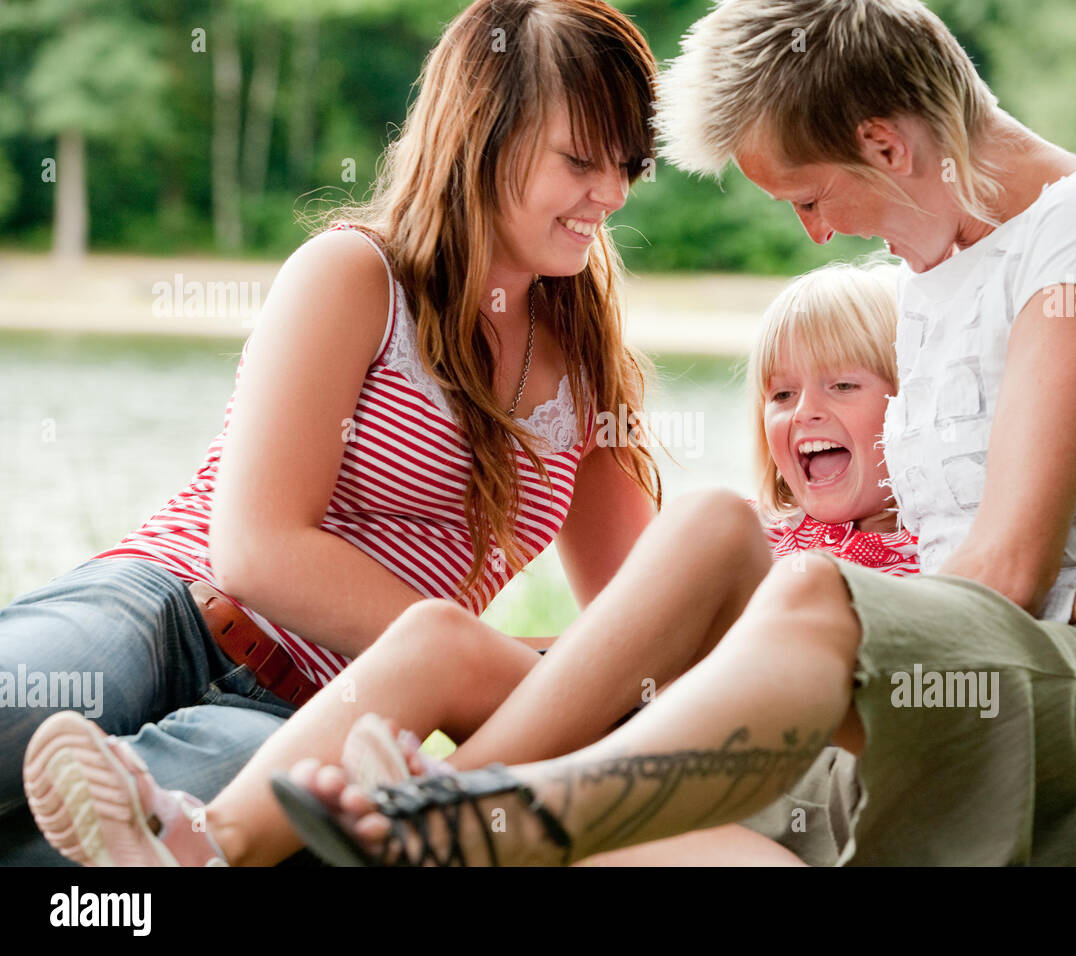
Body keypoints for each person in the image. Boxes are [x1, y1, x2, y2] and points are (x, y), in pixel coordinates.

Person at [273, 0, 1076, 868]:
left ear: (885, 146)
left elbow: (1007, 575)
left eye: (808, 199)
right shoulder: (932, 279)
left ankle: (478, 813)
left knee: (805, 594)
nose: (817, 235)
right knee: (709, 533)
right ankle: (420, 820)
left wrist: (781, 644)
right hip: (947, 712)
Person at [0, 0, 661, 865]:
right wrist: (462, 657)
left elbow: (643, 628)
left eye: (629, 164)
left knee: (120, 856)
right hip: (165, 607)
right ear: (484, 133)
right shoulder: (356, 275)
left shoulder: (587, 373)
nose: (612, 193)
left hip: (302, 716)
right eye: (581, 160)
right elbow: (258, 550)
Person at [24, 261, 920, 867]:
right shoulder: (766, 534)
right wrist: (560, 662)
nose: (805, 411)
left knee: (705, 525)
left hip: (773, 779)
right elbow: (635, 654)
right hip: (662, 738)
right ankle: (202, 840)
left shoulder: (936, 541)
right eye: (780, 392)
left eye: (843, 385)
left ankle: (428, 816)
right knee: (436, 637)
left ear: (919, 410)